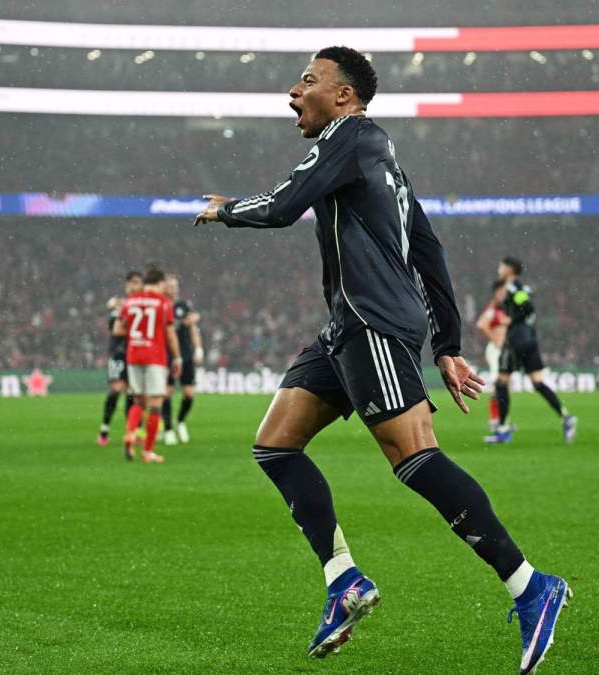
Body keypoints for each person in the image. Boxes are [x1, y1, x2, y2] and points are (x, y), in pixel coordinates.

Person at [194, 46, 570, 673]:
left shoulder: (351, 135)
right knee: (275, 445)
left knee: (414, 456)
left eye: (308, 82)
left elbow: (286, 203)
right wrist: (446, 345)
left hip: (372, 322)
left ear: (344, 96)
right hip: (348, 327)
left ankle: (531, 586)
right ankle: (343, 579)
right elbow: (430, 250)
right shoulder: (384, 160)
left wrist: (226, 209)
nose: (294, 93)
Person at [485, 257, 578, 445]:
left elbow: (527, 307)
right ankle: (566, 417)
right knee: (537, 383)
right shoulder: (521, 287)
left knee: (501, 383)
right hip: (529, 340)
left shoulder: (513, 287)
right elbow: (528, 307)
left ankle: (502, 430)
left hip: (516, 341)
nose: (499, 268)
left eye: (501, 266)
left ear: (510, 269)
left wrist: (511, 320)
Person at [112, 264, 182, 463]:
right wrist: (177, 358)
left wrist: (138, 333)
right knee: (155, 404)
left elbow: (118, 330)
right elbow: (170, 334)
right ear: (160, 283)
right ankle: (148, 451)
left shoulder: (130, 301)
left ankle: (130, 433)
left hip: (133, 355)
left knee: (138, 401)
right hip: (155, 356)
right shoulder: (163, 303)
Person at [98, 271, 142, 446]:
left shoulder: (142, 305)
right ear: (126, 285)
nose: (134, 286)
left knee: (133, 394)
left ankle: (130, 431)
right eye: (132, 282)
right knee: (116, 390)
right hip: (119, 353)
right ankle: (104, 429)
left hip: (137, 353)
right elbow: (115, 329)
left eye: (138, 282)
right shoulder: (119, 307)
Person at [160, 274, 203, 446]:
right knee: (167, 393)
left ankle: (180, 421)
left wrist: (198, 348)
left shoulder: (183, 306)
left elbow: (193, 328)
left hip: (185, 355)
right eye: (170, 286)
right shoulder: (161, 305)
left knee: (189, 394)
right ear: (164, 287)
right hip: (166, 355)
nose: (173, 289)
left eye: (175, 286)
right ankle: (168, 429)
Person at [475, 279, 509, 432]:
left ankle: (500, 420)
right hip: (495, 350)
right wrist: (494, 339)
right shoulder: (493, 308)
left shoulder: (504, 308)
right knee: (498, 386)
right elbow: (481, 324)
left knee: (502, 386)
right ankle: (496, 421)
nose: (503, 294)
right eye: (501, 291)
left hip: (502, 350)